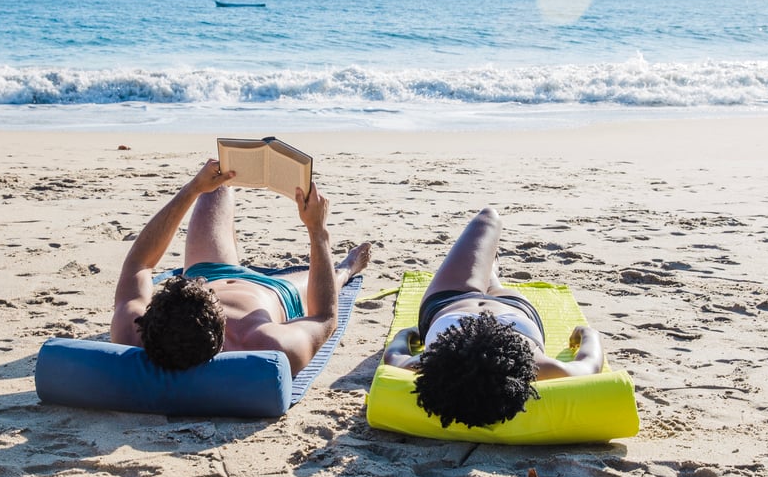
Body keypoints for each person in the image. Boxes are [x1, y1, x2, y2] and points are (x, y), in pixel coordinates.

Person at [110, 158, 371, 375]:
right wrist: (317, 229)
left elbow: (139, 263)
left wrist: (193, 189)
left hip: (210, 270)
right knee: (335, 277)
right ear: (222, 335)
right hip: (274, 293)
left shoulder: (132, 331)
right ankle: (347, 267)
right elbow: (323, 317)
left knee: (218, 183)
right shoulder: (267, 344)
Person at [382, 207, 603, 428]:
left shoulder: (433, 366)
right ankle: (491, 271)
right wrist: (585, 332)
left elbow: (394, 355)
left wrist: (406, 334)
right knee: (488, 219)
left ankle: (490, 267)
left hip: (460, 301)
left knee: (488, 221)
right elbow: (590, 363)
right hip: (492, 305)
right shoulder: (541, 367)